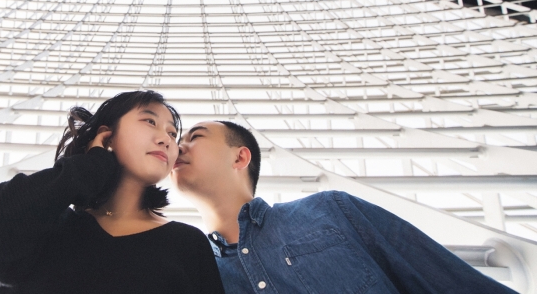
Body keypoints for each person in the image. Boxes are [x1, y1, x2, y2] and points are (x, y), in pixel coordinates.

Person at [171, 120, 518, 294]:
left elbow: (449, 281)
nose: (178, 148)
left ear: (240, 156)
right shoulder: (193, 275)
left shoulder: (329, 211)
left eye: (195, 137)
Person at [0, 91, 225, 294]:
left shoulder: (187, 244)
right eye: (150, 122)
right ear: (106, 136)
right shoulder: (44, 229)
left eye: (172, 133)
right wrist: (88, 167)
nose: (166, 139)